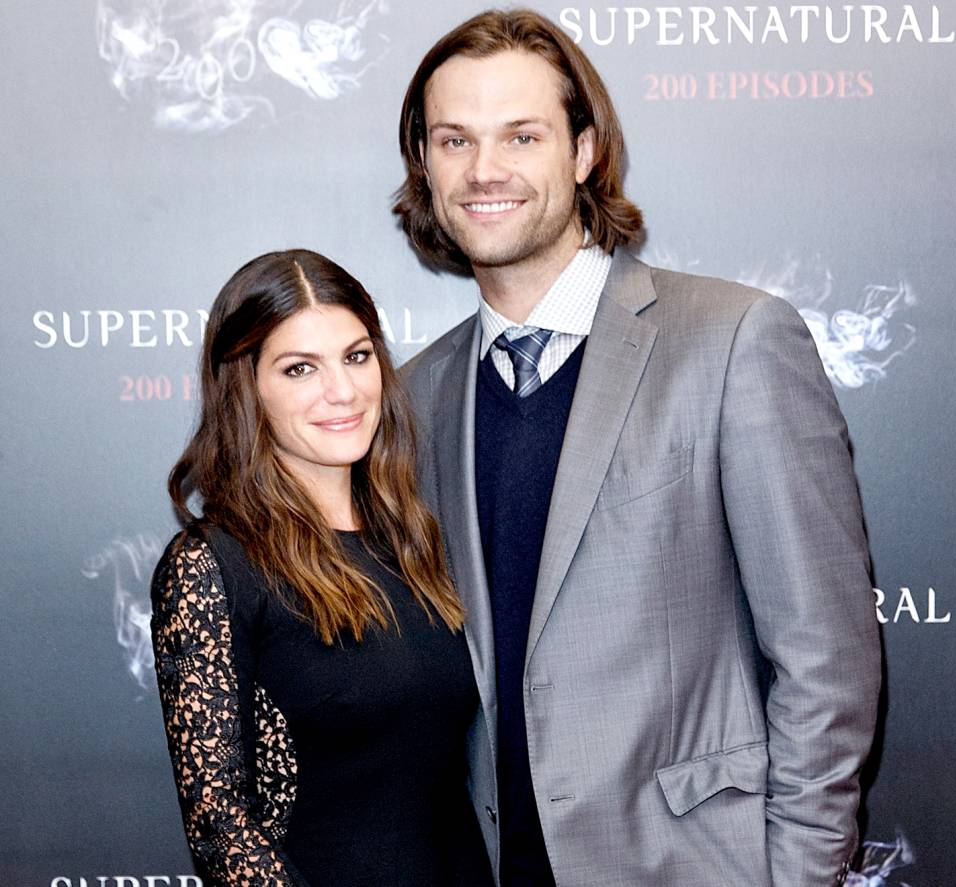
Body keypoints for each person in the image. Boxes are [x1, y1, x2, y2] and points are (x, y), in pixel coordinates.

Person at [394, 9, 882, 887]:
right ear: (424, 166)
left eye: (522, 135)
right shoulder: (417, 394)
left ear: (583, 152)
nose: (485, 170)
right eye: (454, 139)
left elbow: (825, 660)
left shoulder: (733, 341)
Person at [149, 249, 493, 887]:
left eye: (357, 357)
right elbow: (220, 829)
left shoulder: (417, 536)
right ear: (246, 387)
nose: (343, 390)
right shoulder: (213, 565)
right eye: (300, 368)